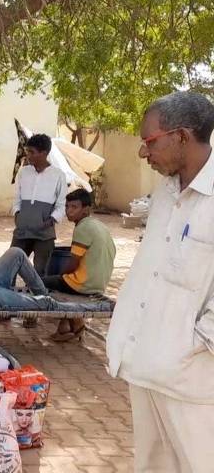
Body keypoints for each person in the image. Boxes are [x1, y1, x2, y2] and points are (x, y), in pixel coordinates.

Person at [106, 91, 214, 472]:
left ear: (182, 137)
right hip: (144, 364)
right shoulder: (166, 192)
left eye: (149, 141)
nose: (142, 153)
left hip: (192, 380)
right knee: (152, 466)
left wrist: (195, 344)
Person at [45, 189, 116, 342]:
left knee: (43, 283)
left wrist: (61, 276)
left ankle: (76, 323)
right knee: (61, 285)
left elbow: (73, 262)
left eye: (74, 207)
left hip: (84, 284)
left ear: (86, 209)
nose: (69, 211)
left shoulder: (83, 227)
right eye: (67, 207)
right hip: (100, 282)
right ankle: (66, 328)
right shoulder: (99, 225)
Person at [11, 133, 67, 275]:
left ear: (44, 153)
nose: (28, 155)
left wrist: (50, 221)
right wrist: (17, 215)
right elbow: (17, 198)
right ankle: (6, 294)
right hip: (22, 230)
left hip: (44, 233)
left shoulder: (58, 175)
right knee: (11, 266)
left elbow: (61, 205)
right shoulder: (23, 172)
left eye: (32, 152)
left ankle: (38, 296)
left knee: (40, 271)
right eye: (27, 151)